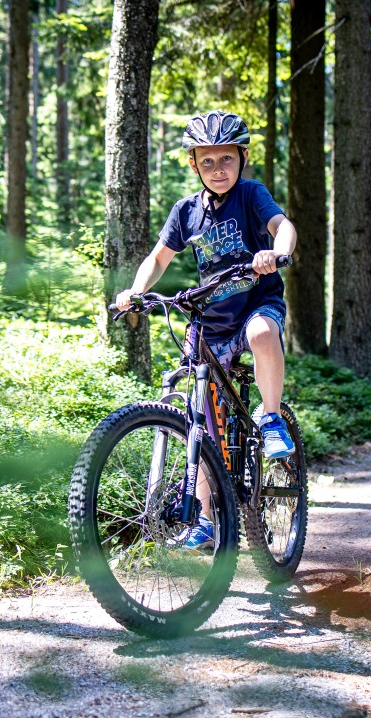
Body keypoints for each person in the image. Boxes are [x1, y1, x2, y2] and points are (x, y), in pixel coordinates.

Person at [115, 110, 297, 550]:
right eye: (208, 161)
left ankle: (271, 417)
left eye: (227, 160)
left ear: (243, 158)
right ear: (193, 164)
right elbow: (158, 258)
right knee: (200, 417)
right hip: (210, 319)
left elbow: (282, 225)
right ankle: (204, 518)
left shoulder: (251, 196)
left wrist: (277, 252)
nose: (219, 169)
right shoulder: (186, 212)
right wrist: (136, 291)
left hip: (257, 301)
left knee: (260, 335)